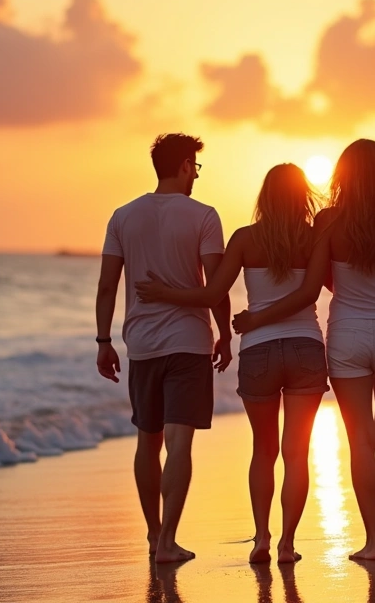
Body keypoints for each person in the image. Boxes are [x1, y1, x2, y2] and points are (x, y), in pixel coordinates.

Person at [233, 139, 375, 562]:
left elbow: (314, 283)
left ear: (343, 176)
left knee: (361, 440)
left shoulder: (330, 220)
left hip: (346, 334)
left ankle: (371, 539)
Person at [135, 164, 328, 564]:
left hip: (258, 352)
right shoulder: (313, 239)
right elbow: (311, 293)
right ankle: (287, 544)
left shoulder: (244, 238)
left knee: (263, 449)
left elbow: (210, 295)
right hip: (305, 349)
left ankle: (261, 537)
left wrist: (162, 292)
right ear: (302, 195)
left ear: (265, 195)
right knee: (296, 452)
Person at [95, 133, 232, 563]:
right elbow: (218, 286)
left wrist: (103, 341)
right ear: (183, 165)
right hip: (189, 343)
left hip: (141, 344)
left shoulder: (122, 216)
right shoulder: (204, 216)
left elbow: (106, 288)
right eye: (195, 166)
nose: (195, 175)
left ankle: (155, 535)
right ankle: (169, 541)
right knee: (179, 443)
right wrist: (225, 333)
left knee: (147, 440)